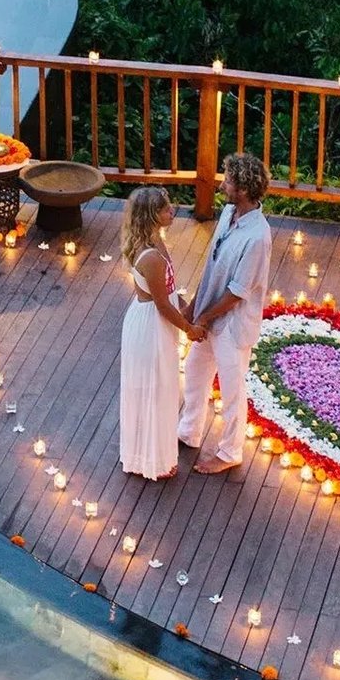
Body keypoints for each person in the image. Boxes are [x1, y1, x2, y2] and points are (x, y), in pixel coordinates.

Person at [178, 153, 273, 474]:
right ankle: (189, 431)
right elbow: (213, 265)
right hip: (210, 313)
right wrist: (194, 305)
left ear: (244, 189)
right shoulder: (229, 213)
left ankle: (231, 451)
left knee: (232, 390)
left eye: (228, 181)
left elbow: (237, 291)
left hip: (233, 326)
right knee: (193, 371)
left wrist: (204, 318)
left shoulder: (258, 237)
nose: (222, 184)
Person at [119, 185, 202, 479]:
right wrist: (190, 329)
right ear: (153, 216)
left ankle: (152, 451)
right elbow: (162, 305)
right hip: (150, 325)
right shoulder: (151, 256)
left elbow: (169, 291)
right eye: (166, 209)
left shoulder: (157, 242)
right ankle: (149, 459)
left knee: (162, 386)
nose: (172, 212)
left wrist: (187, 305)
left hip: (157, 321)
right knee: (154, 388)